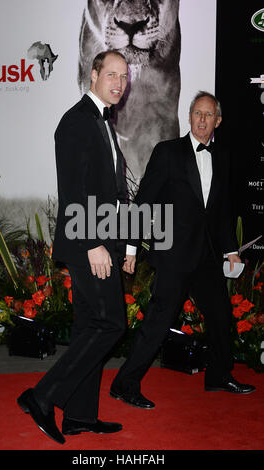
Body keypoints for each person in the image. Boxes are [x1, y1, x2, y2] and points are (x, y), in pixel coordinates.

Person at [110, 91, 255, 410]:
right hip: (174, 255)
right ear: (189, 118)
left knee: (219, 314)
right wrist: (132, 248)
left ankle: (219, 375)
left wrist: (230, 250)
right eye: (197, 113)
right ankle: (124, 384)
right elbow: (143, 202)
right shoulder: (168, 152)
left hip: (206, 256)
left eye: (209, 115)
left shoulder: (222, 156)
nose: (202, 119)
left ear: (218, 120)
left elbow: (221, 211)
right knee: (158, 323)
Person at [17, 50, 129, 444]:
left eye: (124, 76)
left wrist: (126, 245)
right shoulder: (77, 121)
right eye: (111, 74)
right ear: (93, 74)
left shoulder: (103, 123)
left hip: (106, 241)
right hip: (88, 242)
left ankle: (79, 416)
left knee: (89, 326)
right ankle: (43, 397)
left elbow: (114, 192)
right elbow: (74, 190)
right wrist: (95, 242)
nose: (118, 82)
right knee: (111, 323)